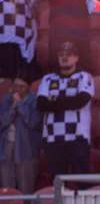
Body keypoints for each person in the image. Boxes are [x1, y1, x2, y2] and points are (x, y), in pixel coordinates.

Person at [36, 40, 93, 179]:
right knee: (57, 183)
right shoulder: (47, 79)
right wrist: (68, 101)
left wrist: (54, 101)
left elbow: (81, 101)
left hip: (78, 137)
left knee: (81, 181)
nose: (64, 57)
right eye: (61, 54)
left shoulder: (84, 77)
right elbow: (41, 104)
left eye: (69, 54)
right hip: (52, 138)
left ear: (76, 58)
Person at [0, 76, 40, 193]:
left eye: (21, 87)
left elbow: (33, 122)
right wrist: (13, 107)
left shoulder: (35, 101)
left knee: (25, 186)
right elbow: (2, 122)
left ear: (28, 88)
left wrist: (20, 104)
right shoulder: (7, 100)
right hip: (6, 146)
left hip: (26, 148)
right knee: (7, 186)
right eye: (15, 86)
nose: (17, 89)